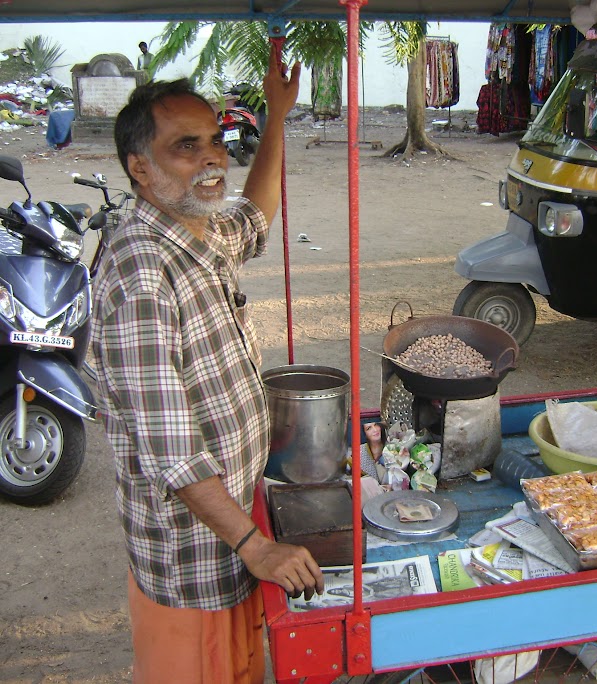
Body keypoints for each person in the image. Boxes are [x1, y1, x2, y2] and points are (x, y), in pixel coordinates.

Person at [91, 50, 322, 682]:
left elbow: (254, 219)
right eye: (186, 147)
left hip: (233, 531)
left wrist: (275, 118)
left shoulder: (196, 226)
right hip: (195, 552)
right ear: (141, 168)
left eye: (216, 141)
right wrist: (257, 545)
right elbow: (173, 452)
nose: (213, 159)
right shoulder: (140, 272)